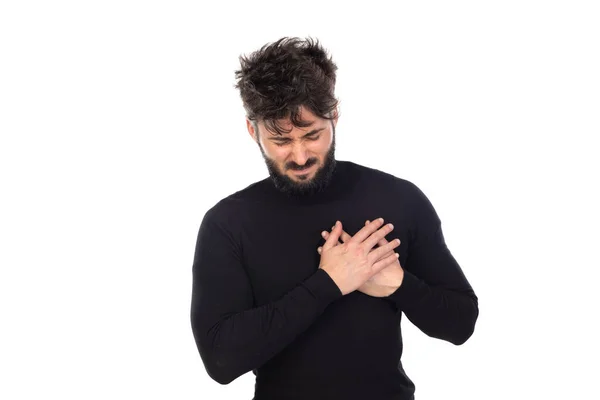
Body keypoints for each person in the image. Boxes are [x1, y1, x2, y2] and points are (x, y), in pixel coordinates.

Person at [190, 37, 479, 400]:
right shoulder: (228, 223)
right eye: (280, 140)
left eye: (312, 135)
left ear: (335, 115)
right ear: (253, 130)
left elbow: (461, 323)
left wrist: (399, 284)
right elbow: (220, 361)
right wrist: (329, 283)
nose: (299, 155)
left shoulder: (398, 200)